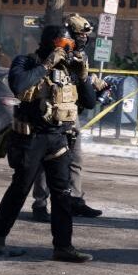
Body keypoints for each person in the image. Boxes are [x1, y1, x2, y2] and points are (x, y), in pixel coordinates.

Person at [0, 24, 96, 262]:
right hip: (31, 137)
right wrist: (47, 64)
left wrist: (84, 75)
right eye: (63, 45)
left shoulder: (70, 67)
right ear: (50, 43)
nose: (67, 50)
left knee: (62, 194)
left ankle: (63, 246)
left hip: (58, 137)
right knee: (20, 189)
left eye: (69, 46)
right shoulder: (26, 62)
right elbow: (18, 85)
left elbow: (89, 102)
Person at [31, 14, 106, 222]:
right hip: (51, 115)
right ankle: (40, 203)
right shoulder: (53, 54)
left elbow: (81, 88)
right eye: (79, 34)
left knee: (76, 159)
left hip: (73, 114)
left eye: (85, 35)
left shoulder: (81, 56)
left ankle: (75, 200)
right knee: (48, 161)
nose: (83, 38)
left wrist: (92, 84)